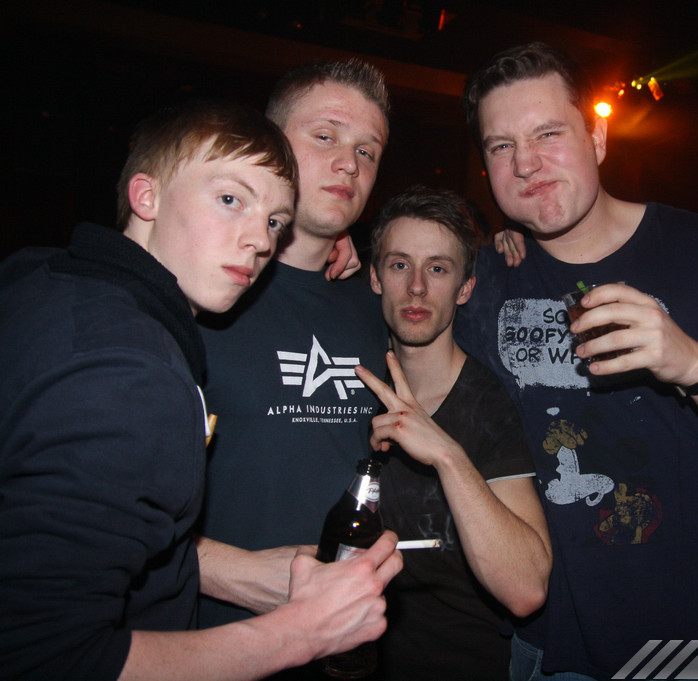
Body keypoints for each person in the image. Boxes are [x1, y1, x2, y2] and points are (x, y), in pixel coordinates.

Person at [0, 100, 401, 681]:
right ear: (147, 196)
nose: (258, 240)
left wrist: (226, 572)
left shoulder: (44, 280)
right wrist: (302, 632)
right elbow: (43, 656)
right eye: (231, 200)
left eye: (274, 221)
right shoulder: (129, 374)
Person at [456, 43, 698, 680]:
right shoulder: (482, 278)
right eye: (501, 146)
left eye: (548, 133)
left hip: (689, 645)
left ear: (598, 137)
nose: (526, 163)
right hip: (546, 649)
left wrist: (693, 364)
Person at [195, 61, 392, 646]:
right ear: (270, 145)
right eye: (326, 136)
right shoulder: (199, 294)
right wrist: (229, 572)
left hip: (340, 639)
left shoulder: (377, 305)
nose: (349, 163)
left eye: (367, 151)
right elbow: (81, 516)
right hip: (200, 643)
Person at [352, 185, 551, 680]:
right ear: (375, 277)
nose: (417, 287)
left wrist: (446, 454)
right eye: (400, 265)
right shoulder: (347, 381)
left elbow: (527, 590)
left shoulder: (490, 405)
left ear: (464, 288)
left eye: (438, 269)